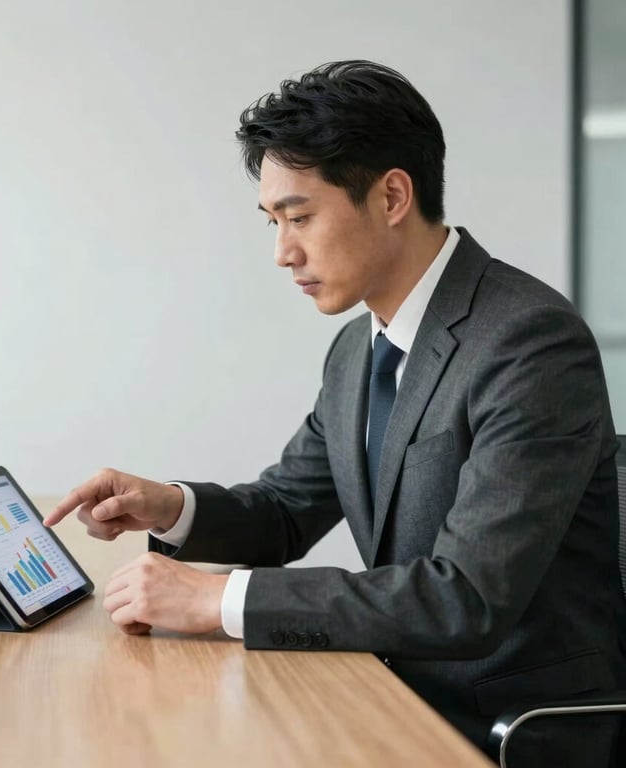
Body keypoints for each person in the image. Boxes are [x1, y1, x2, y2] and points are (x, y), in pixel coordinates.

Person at [44, 61, 625, 764]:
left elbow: (466, 598)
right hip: (387, 692)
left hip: (503, 729)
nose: (284, 252)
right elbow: (289, 509)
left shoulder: (529, 341)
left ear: (391, 197)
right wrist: (169, 505)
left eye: (300, 217)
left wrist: (219, 601)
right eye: (273, 222)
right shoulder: (359, 348)